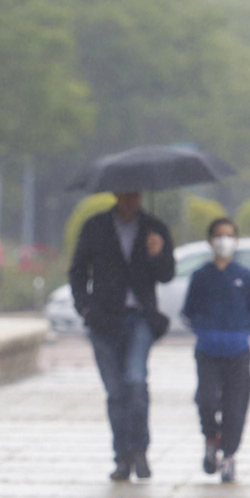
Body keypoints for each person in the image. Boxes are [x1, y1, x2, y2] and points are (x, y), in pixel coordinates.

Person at [68, 189, 176, 482]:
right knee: (116, 393)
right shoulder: (95, 227)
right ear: (116, 194)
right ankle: (122, 457)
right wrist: (86, 309)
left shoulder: (154, 228)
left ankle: (140, 448)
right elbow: (77, 272)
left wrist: (158, 254)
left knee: (136, 382)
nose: (131, 199)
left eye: (135, 194)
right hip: (103, 321)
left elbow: (167, 273)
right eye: (125, 194)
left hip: (139, 318)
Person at [182, 218, 250, 484]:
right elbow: (188, 311)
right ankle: (211, 437)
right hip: (207, 349)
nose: (223, 241)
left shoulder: (243, 276)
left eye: (229, 236)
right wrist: (204, 329)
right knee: (206, 399)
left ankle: (228, 454)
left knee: (235, 405)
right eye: (219, 235)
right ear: (209, 240)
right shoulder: (201, 276)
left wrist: (241, 329)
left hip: (237, 350)